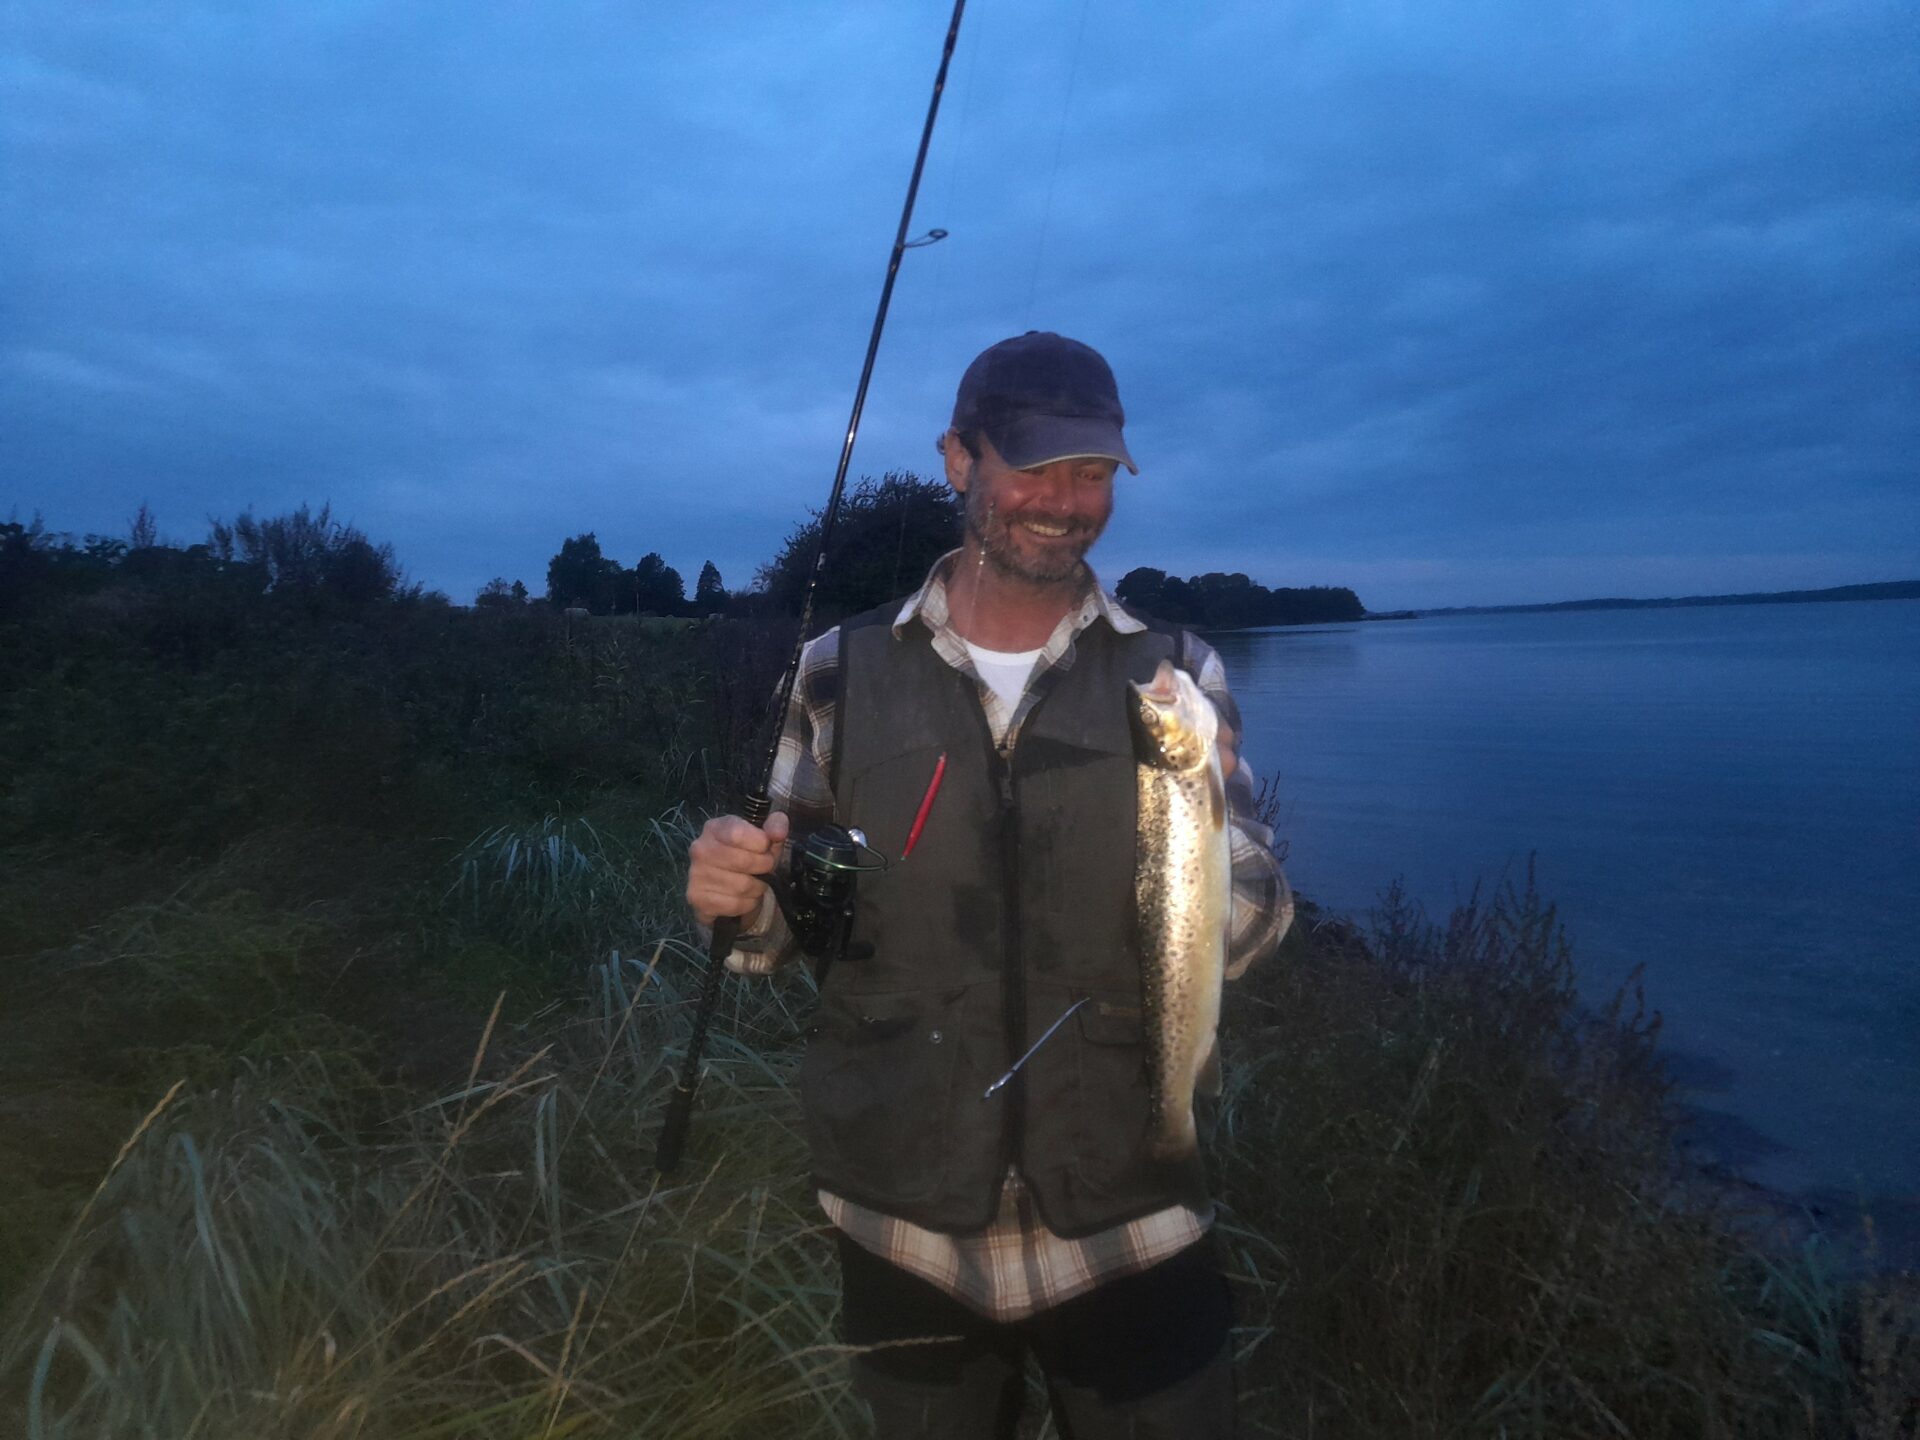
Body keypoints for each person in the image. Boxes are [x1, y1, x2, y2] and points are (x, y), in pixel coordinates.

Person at [686, 331, 1293, 1438]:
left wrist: (1212, 844)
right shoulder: (836, 671)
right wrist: (740, 892)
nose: (1066, 502)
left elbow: (1249, 932)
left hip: (1133, 1214)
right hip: (902, 1218)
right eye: (1035, 467)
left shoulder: (1177, 674)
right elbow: (789, 934)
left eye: (1096, 473)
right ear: (958, 460)